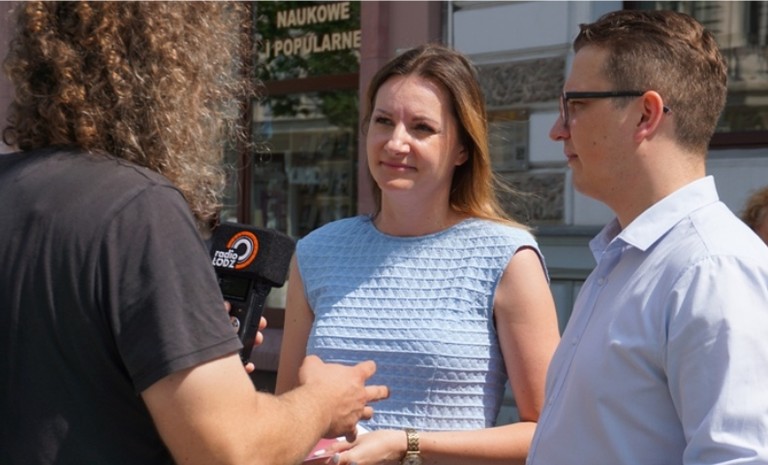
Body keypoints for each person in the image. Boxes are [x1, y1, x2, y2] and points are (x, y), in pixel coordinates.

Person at [0, 3, 388, 465]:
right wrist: (324, 401)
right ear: (172, 69)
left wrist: (186, 343)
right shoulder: (139, 208)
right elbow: (233, 450)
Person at [276, 43, 561, 465]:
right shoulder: (317, 251)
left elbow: (551, 431)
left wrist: (407, 444)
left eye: (421, 128)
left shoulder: (506, 257)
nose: (396, 142)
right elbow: (285, 416)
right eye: (383, 121)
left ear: (462, 148)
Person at [527, 9, 768, 465]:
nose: (558, 130)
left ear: (645, 114)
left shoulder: (712, 268)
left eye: (575, 105)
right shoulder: (626, 259)